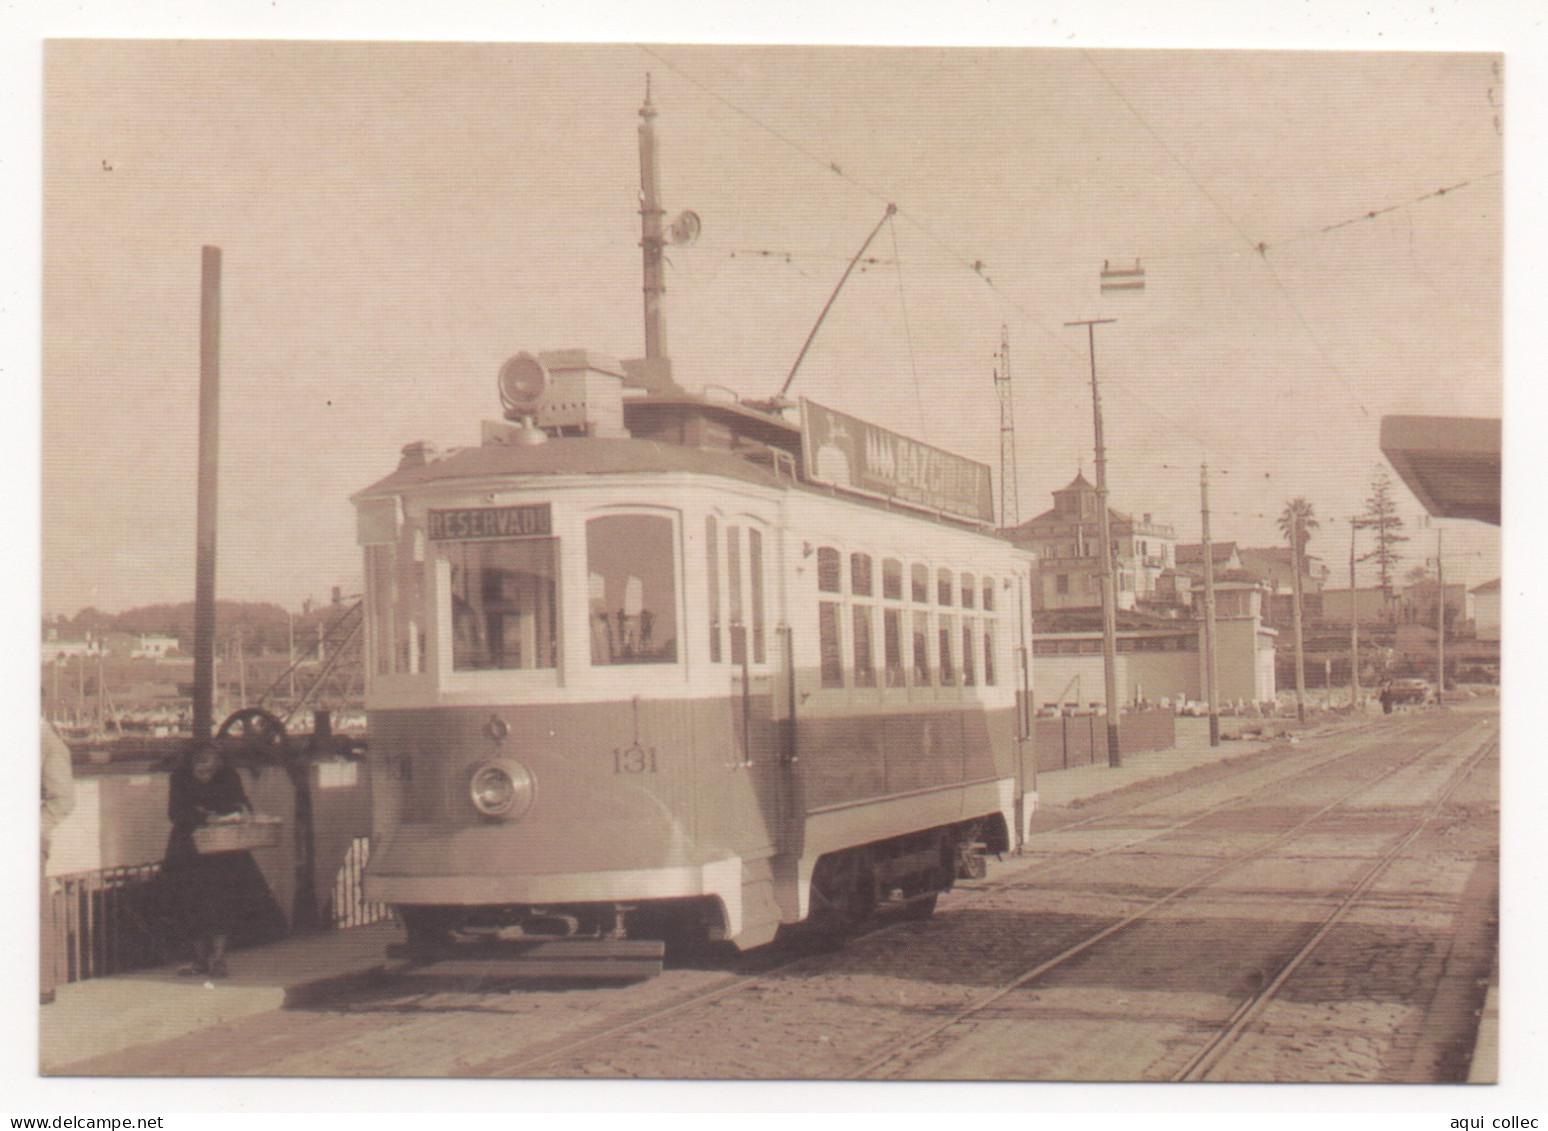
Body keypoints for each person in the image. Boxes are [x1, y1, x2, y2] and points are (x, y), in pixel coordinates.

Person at [162, 741, 264, 977]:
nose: (204, 775)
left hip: (221, 849)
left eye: (209, 770)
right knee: (189, 903)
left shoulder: (229, 775)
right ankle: (199, 959)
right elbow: (175, 812)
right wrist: (204, 817)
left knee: (221, 903)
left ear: (217, 764)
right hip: (188, 849)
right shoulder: (179, 777)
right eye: (199, 770)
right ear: (191, 764)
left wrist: (228, 813)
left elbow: (241, 804)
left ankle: (218, 959)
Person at [40, 717, 76, 1005]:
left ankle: (41, 986)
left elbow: (63, 798)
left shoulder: (48, 742)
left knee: (32, 911)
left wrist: (35, 828)